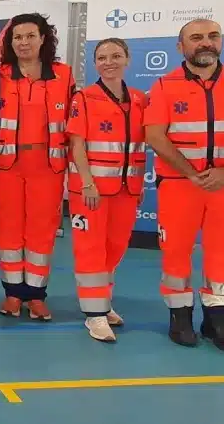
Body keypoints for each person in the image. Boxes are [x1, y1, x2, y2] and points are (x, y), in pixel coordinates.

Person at [144, 18, 224, 349]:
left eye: (213, 36)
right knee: (176, 253)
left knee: (221, 254)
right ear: (181, 46)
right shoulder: (164, 85)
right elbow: (154, 136)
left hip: (222, 186)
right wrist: (191, 172)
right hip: (179, 184)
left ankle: (215, 319)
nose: (206, 42)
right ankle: (180, 318)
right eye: (196, 37)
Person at [0, 12, 74, 321]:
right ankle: (13, 294)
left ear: (43, 38)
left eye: (30, 36)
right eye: (18, 37)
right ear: (10, 43)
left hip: (48, 167)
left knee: (41, 232)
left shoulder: (64, 75)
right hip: (7, 166)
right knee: (9, 231)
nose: (24, 42)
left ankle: (36, 296)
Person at [66, 37, 146, 343]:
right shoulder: (83, 98)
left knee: (115, 248)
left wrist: (135, 184)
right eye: (102, 57)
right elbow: (77, 144)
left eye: (115, 56)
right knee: (90, 251)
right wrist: (87, 181)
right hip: (90, 191)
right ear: (95, 63)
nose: (108, 62)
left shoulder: (140, 99)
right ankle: (95, 315)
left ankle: (103, 301)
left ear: (127, 59)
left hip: (127, 189)